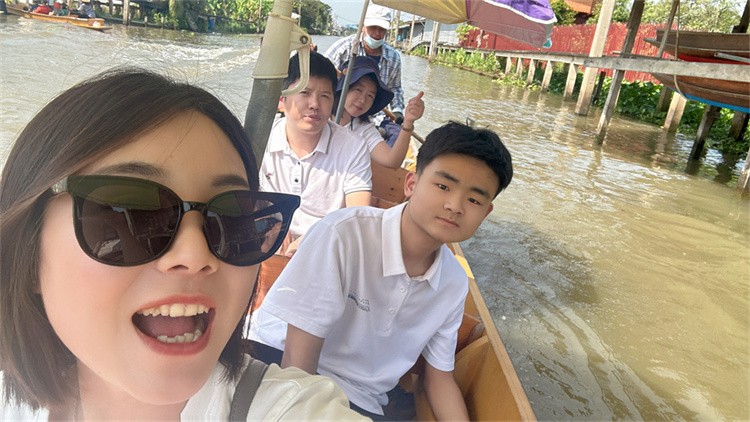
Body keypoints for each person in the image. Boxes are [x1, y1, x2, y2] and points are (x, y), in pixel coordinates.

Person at [0, 68, 368, 421]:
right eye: (130, 214)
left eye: (233, 218)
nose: (195, 255)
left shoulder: (290, 410)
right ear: (28, 253)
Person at [249, 121, 514, 420]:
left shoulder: (453, 283)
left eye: (474, 199)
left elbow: (438, 378)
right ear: (411, 184)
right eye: (443, 186)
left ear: (486, 212)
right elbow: (298, 359)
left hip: (361, 400)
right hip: (276, 365)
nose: (455, 206)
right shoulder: (344, 234)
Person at [260, 51, 372, 256]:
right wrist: (270, 224)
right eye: (305, 92)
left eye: (325, 96)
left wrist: (312, 240)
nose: (315, 104)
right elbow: (245, 197)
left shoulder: (353, 148)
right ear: (281, 99)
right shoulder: (261, 140)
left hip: (328, 247)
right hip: (269, 243)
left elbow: (358, 215)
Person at [334, 56, 424, 169]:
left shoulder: (364, 129)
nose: (362, 100)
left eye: (370, 95)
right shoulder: (322, 115)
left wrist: (408, 123)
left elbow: (391, 161)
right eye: (358, 90)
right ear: (344, 88)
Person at [324, 3, 404, 124]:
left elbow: (395, 88)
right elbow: (322, 73)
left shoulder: (394, 57)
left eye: (382, 29)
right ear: (363, 27)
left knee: (395, 132)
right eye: (372, 27)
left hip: (376, 116)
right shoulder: (344, 48)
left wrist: (397, 110)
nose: (377, 33)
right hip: (339, 112)